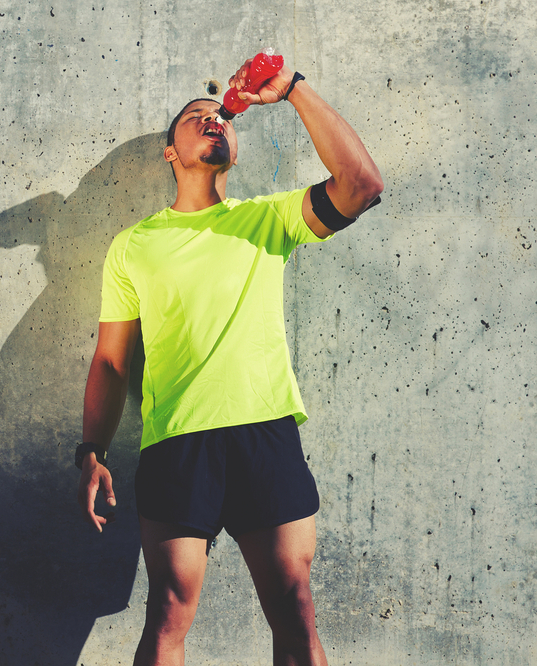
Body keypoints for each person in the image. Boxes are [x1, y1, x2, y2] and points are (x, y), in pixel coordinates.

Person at [75, 58, 383, 666]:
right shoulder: (133, 245)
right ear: (171, 152)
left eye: (222, 118)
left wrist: (292, 90)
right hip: (177, 442)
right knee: (167, 613)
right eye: (196, 117)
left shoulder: (267, 219)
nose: (213, 120)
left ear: (234, 152)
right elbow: (111, 361)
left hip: (263, 432)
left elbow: (362, 184)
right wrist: (91, 451)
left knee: (295, 609)